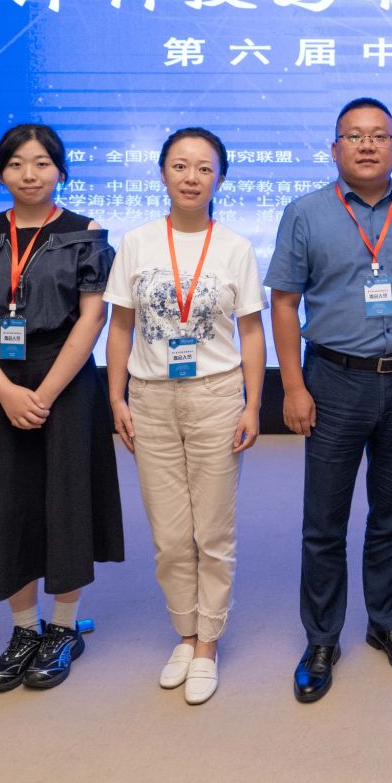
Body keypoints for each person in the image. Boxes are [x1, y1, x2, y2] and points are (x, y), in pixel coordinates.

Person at [266, 97, 392, 703]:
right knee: (324, 521)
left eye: (379, 136)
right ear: (335, 148)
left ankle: (386, 623)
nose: (367, 145)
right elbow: (284, 303)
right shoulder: (305, 212)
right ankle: (322, 638)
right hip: (333, 379)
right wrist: (292, 386)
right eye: (354, 136)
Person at [0, 123, 121, 693]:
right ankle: (23, 630)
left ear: (61, 170)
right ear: (1, 172)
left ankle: (63, 629)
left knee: (66, 500)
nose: (30, 174)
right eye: (17, 163)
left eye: (42, 163)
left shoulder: (84, 234)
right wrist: (5, 391)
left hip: (64, 381)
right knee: (4, 501)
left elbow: (92, 317)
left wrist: (44, 394)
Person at [104, 127, 266, 706]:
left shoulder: (235, 248)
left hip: (215, 397)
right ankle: (185, 632)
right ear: (162, 173)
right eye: (180, 165)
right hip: (150, 398)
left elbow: (251, 331)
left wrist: (253, 403)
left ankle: (208, 643)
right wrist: (116, 397)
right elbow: (120, 325)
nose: (191, 177)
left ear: (219, 178)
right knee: (170, 535)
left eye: (203, 168)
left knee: (212, 531)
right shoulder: (137, 242)